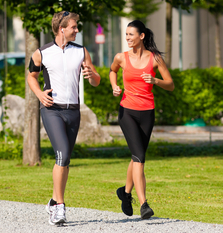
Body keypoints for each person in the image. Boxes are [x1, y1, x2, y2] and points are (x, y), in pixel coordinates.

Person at [27, 11, 100, 226]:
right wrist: (40, 94)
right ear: (62, 29)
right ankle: (59, 207)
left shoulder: (81, 51)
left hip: (73, 111)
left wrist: (92, 76)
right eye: (74, 27)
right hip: (52, 110)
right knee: (62, 155)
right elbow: (32, 76)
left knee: (65, 159)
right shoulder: (42, 53)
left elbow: (96, 80)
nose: (77, 30)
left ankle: (53, 201)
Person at [109, 19, 174, 220]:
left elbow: (170, 84)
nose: (127, 38)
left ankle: (125, 193)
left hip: (147, 113)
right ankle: (144, 204)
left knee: (137, 157)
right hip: (127, 111)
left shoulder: (154, 59)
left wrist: (156, 81)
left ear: (142, 36)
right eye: (126, 35)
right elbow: (113, 71)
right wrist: (114, 86)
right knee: (139, 157)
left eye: (131, 34)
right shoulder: (121, 57)